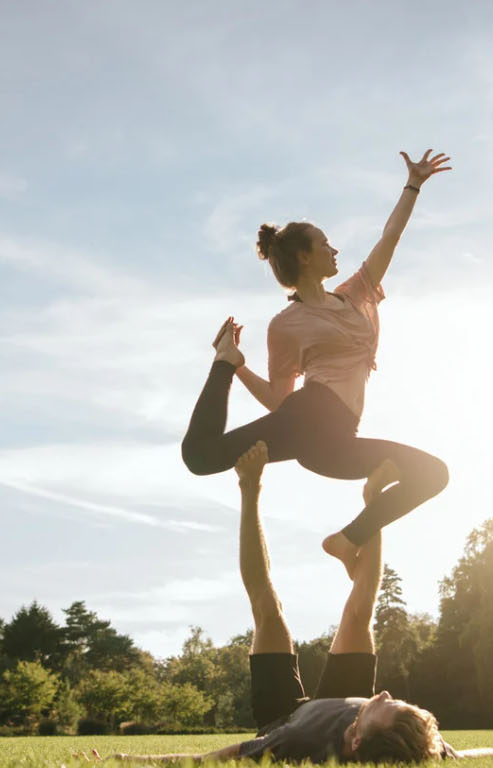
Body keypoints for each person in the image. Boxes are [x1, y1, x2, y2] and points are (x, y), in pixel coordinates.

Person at [100, 442, 493, 764]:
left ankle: (249, 490)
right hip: (342, 700)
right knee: (361, 610)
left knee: (268, 612)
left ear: (357, 740)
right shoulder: (415, 743)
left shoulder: (296, 743)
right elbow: (460, 756)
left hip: (284, 717)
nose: (383, 693)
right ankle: (371, 510)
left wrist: (127, 763)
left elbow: (208, 761)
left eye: (385, 705)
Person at [180, 150, 455, 579]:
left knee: (433, 475)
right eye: (325, 242)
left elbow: (389, 240)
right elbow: (279, 399)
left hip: (334, 445)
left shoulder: (355, 293)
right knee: (200, 457)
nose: (334, 248)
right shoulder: (285, 325)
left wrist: (413, 185)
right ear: (306, 257)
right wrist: (237, 367)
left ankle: (346, 540)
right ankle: (222, 362)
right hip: (310, 415)